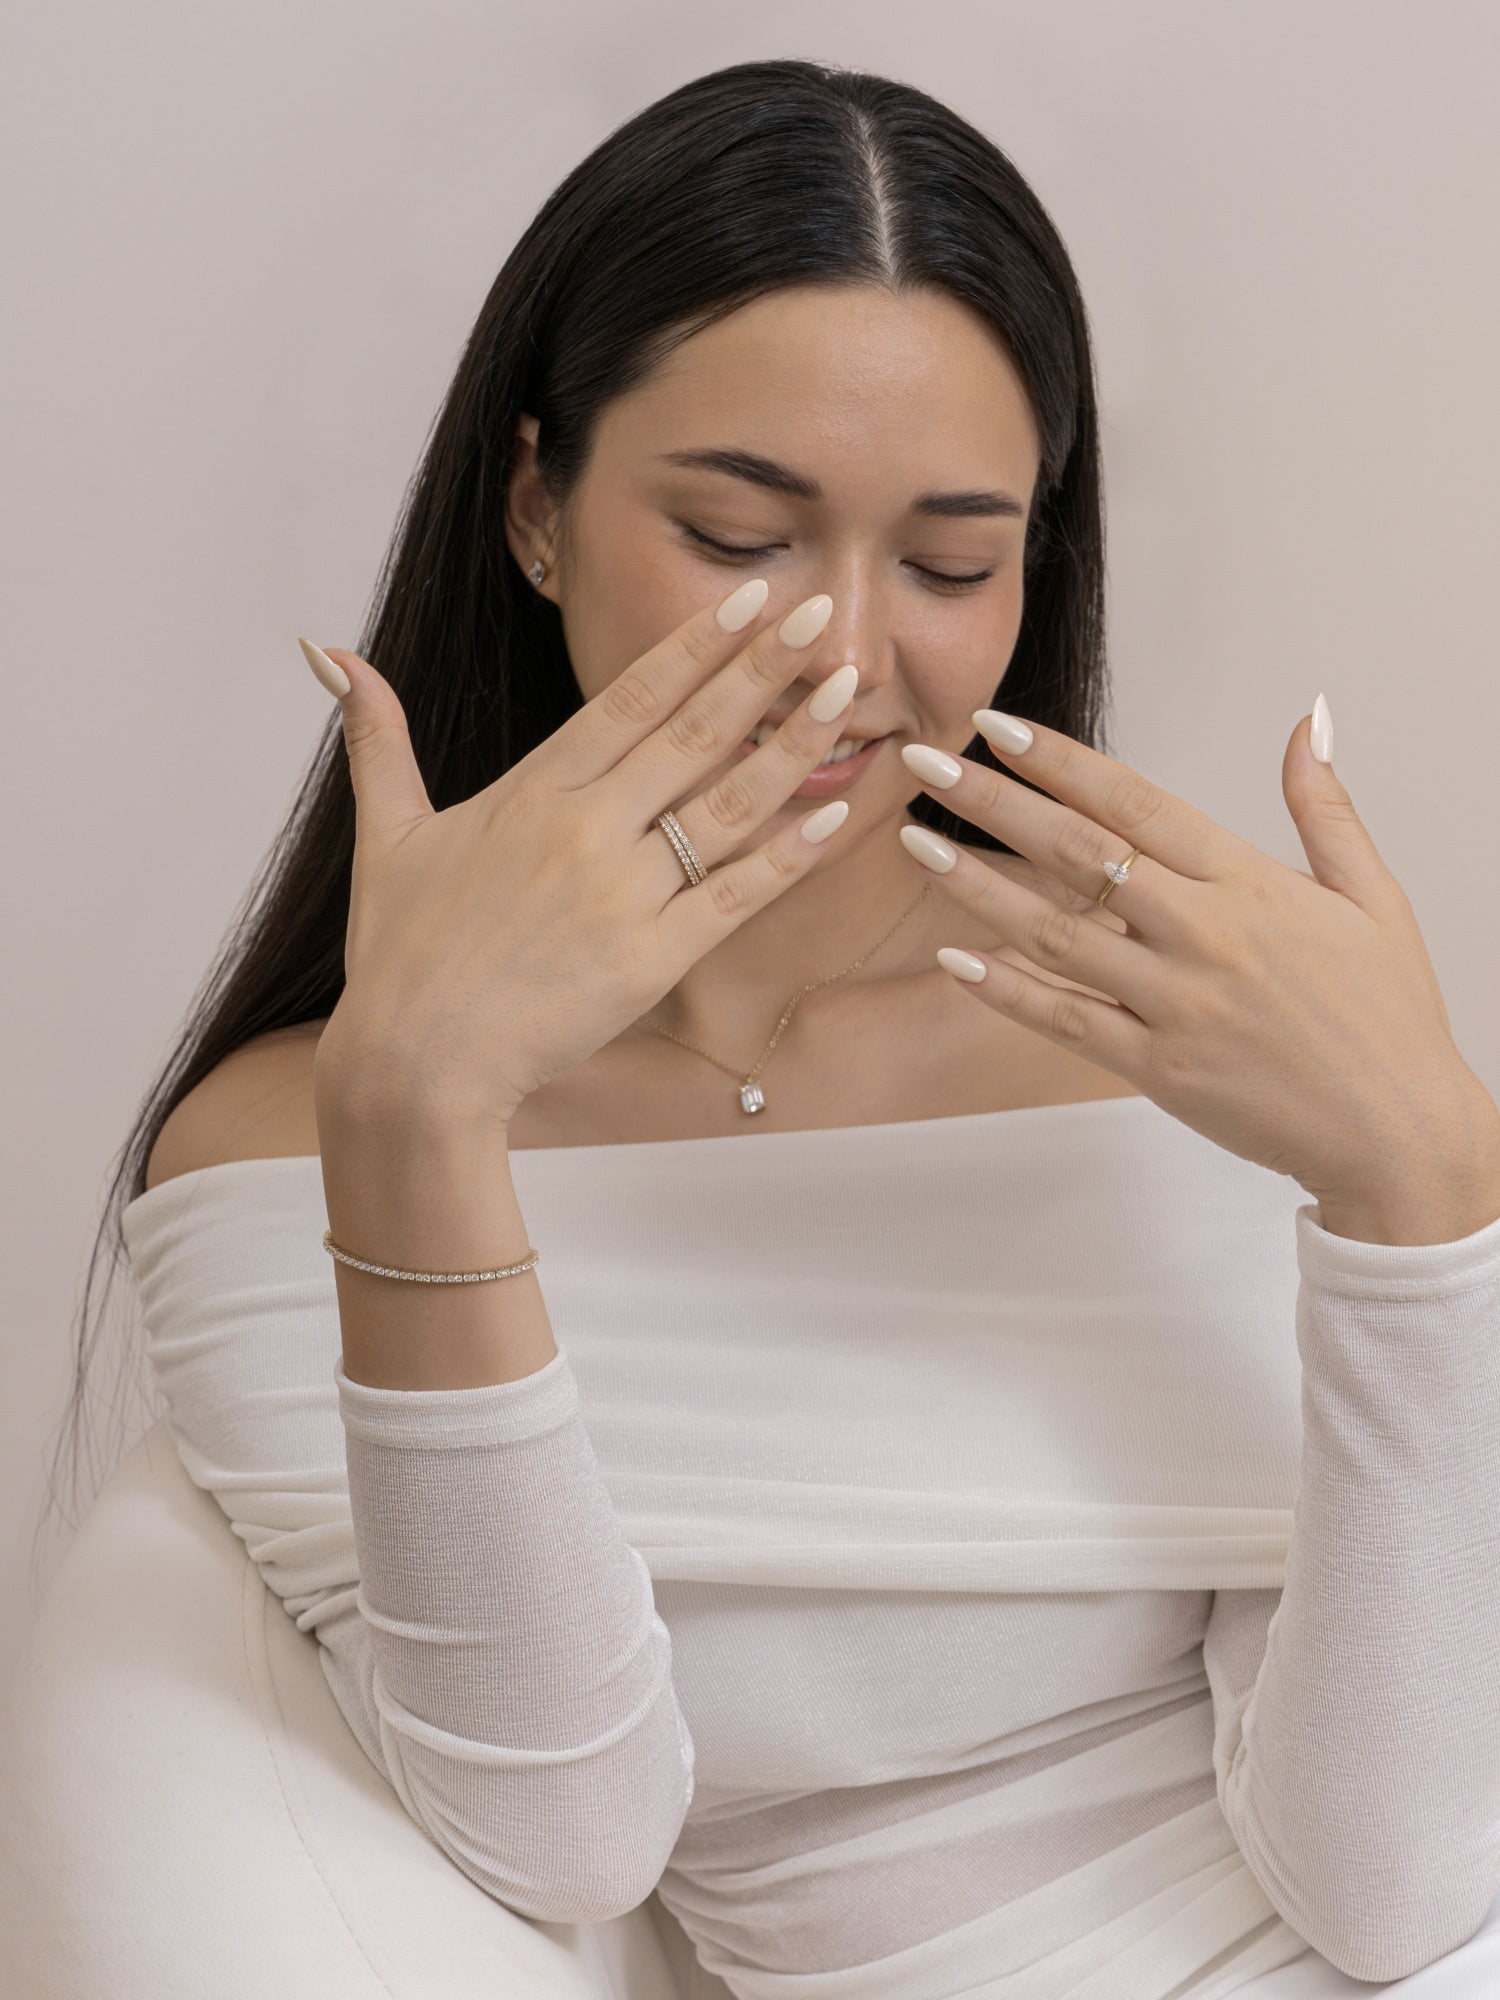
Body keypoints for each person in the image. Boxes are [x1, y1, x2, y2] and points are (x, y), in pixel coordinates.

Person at [79, 55, 1500, 2000]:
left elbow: (1401, 1884)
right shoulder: (278, 1145)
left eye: (948, 560)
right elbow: (564, 1834)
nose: (848, 647)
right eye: (742, 532)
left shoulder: (1162, 1036)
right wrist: (415, 1108)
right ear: (537, 506)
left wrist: (1422, 1186)